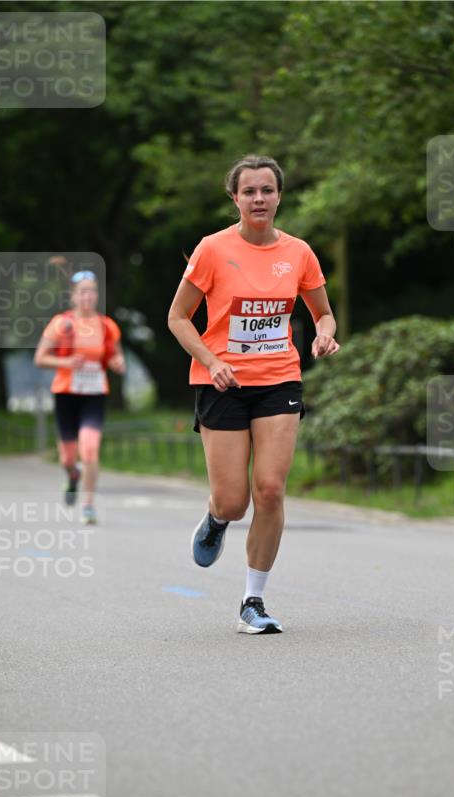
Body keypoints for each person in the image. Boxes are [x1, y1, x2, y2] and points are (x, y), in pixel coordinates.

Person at [168, 155, 339, 634]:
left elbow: (324, 313)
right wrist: (212, 360)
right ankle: (216, 518)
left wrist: (323, 334)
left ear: (279, 196)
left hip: (280, 378)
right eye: (249, 192)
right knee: (233, 501)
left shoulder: (300, 253)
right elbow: (178, 317)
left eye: (267, 190)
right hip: (222, 381)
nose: (259, 199)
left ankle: (253, 601)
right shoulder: (212, 249)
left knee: (269, 489)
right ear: (235, 198)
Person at [34, 270, 125, 524]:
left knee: (90, 449)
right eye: (82, 291)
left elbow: (117, 356)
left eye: (92, 291)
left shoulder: (106, 325)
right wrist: (66, 361)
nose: (88, 296)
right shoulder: (60, 324)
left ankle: (88, 505)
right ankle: (72, 475)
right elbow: (40, 358)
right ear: (73, 296)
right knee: (67, 458)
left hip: (94, 393)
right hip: (66, 393)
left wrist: (118, 363)